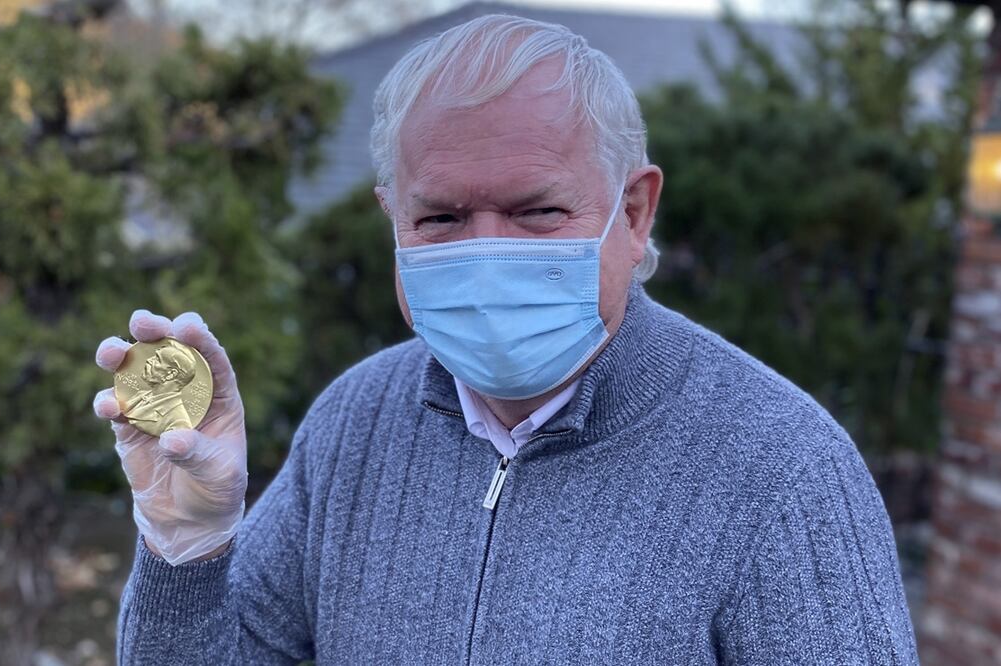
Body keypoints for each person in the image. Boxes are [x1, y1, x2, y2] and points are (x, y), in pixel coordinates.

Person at [92, 14, 917, 665]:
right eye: (442, 218)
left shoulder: (782, 471)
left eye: (537, 212)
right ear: (392, 219)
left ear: (633, 214)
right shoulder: (355, 423)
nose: (486, 255)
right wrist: (185, 548)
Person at [121, 343, 196, 434]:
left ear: (171, 374)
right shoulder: (141, 395)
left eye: (157, 359)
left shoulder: (178, 421)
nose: (148, 360)